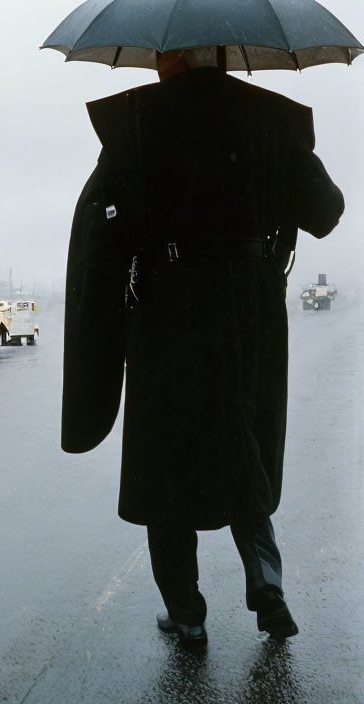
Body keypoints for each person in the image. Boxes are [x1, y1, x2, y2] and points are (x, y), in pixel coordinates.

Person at [61, 48, 345, 645]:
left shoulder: (137, 122)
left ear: (177, 54)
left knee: (165, 461)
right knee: (242, 435)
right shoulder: (270, 116)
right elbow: (326, 212)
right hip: (252, 309)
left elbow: (100, 234)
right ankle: (266, 581)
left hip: (169, 308)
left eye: (162, 55)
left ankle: (186, 613)